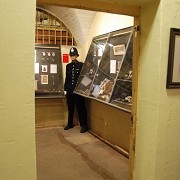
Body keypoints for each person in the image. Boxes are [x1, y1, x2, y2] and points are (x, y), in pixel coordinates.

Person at [64, 47, 88, 133]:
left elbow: (85, 78)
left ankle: (84, 125)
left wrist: (84, 89)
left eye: (74, 55)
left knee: (81, 108)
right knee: (70, 108)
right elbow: (67, 78)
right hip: (70, 91)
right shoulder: (68, 66)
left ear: (76, 55)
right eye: (71, 55)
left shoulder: (81, 65)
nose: (72, 57)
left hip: (78, 91)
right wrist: (65, 89)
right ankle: (70, 124)